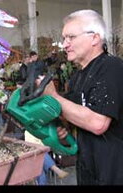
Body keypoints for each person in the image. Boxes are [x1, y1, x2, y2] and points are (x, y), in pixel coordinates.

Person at [36, 9, 123, 185]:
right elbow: (75, 121)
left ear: (95, 38)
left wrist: (53, 96)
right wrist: (62, 131)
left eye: (71, 37)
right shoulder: (77, 77)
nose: (65, 44)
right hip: (88, 170)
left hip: (114, 172)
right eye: (64, 39)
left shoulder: (111, 68)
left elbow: (98, 124)